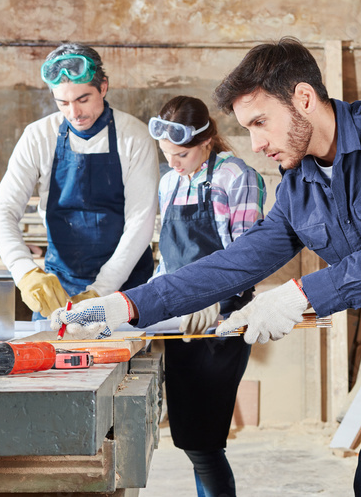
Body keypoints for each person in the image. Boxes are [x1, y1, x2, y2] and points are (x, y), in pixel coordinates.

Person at [53, 37, 361, 496]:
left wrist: (298, 296)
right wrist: (124, 306)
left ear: (304, 99)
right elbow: (234, 264)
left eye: (260, 122)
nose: (256, 144)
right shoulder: (300, 188)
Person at [148, 95, 266, 497]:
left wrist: (215, 299)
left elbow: (249, 256)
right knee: (189, 440)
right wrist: (146, 304)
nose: (173, 163)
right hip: (179, 323)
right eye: (166, 155)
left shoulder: (237, 177)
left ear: (207, 141)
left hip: (222, 323)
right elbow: (166, 260)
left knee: (205, 442)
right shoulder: (169, 182)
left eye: (180, 154)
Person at [0, 43, 159, 318]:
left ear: (103, 87)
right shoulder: (38, 136)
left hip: (124, 290)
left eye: (83, 99)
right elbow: (1, 214)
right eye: (63, 103)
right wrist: (26, 273)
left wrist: (99, 292)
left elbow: (140, 223)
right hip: (60, 288)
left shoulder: (134, 137)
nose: (74, 113)